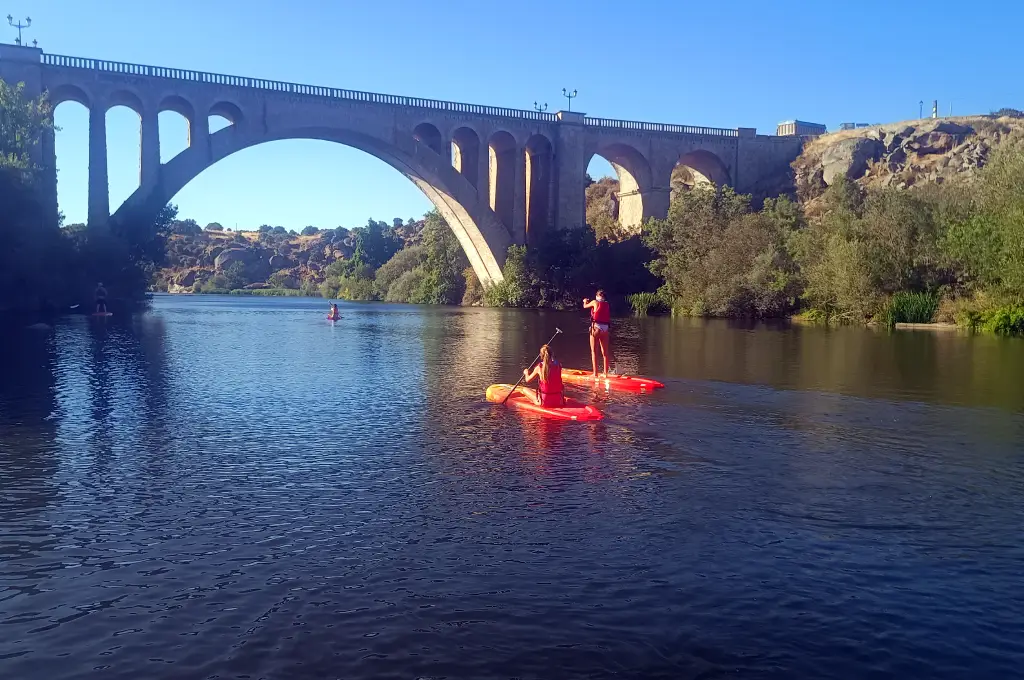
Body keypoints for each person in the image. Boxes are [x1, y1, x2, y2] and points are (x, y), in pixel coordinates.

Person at [583, 289, 613, 376]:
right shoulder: (607, 304)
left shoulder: (594, 302)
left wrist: (585, 301)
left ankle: (595, 373)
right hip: (605, 329)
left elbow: (585, 306)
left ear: (597, 296)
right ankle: (605, 373)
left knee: (594, 351)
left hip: (596, 328)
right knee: (605, 353)